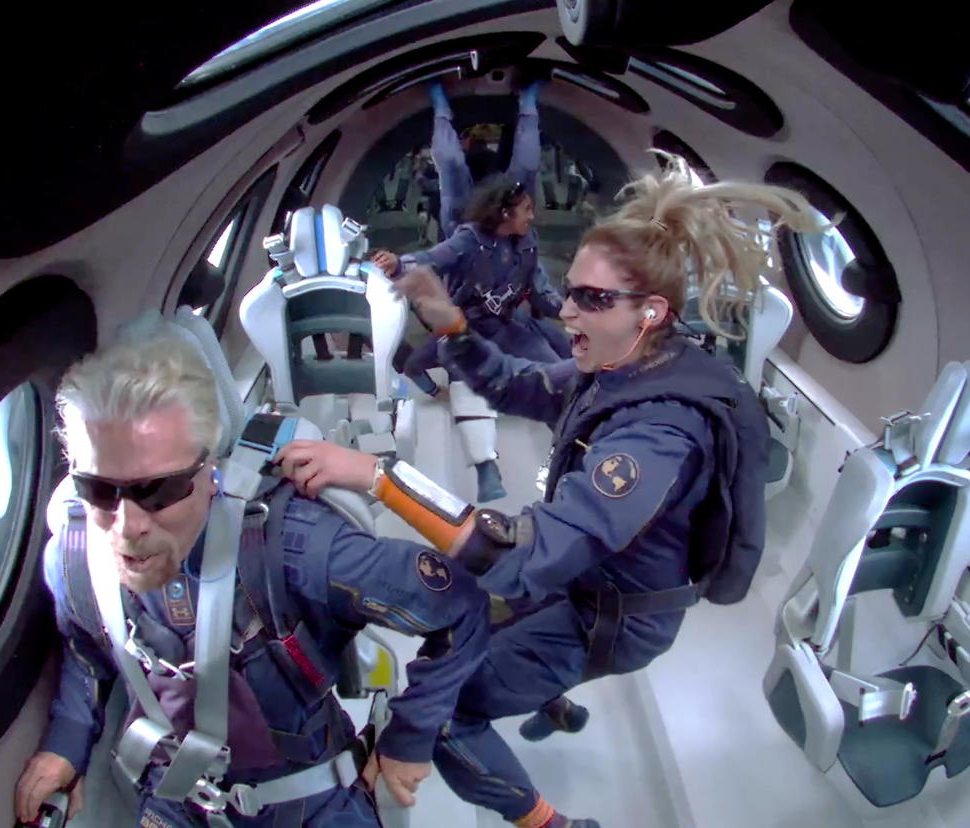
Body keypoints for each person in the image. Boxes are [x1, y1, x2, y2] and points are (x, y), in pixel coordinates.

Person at [275, 152, 822, 827]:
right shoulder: (623, 367)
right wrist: (452, 327)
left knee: (445, 713)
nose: (565, 311)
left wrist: (379, 480)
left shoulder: (659, 432)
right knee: (459, 614)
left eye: (590, 300)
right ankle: (549, 693)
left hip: (612, 618)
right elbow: (519, 384)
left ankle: (552, 824)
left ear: (651, 311)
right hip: (583, 580)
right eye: (571, 291)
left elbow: (526, 555)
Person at [13, 318, 490, 827]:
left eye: (158, 492)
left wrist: (409, 737)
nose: (127, 528)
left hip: (309, 803)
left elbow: (460, 609)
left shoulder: (300, 550)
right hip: (173, 803)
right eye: (100, 490)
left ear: (207, 472)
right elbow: (87, 651)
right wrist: (65, 743)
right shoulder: (76, 557)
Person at [371, 174, 569, 504]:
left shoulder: (527, 242)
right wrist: (396, 266)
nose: (532, 216)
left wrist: (568, 310)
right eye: (526, 210)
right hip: (467, 325)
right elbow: (431, 258)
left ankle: (567, 452)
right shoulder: (469, 240)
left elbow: (541, 289)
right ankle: (487, 471)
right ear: (505, 213)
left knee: (555, 383)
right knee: (432, 368)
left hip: (508, 325)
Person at [424, 81, 542, 241]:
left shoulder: (457, 247)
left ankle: (441, 109)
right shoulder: (523, 251)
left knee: (451, 164)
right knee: (527, 166)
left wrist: (399, 264)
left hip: (464, 223)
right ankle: (528, 102)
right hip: (507, 220)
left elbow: (431, 258)